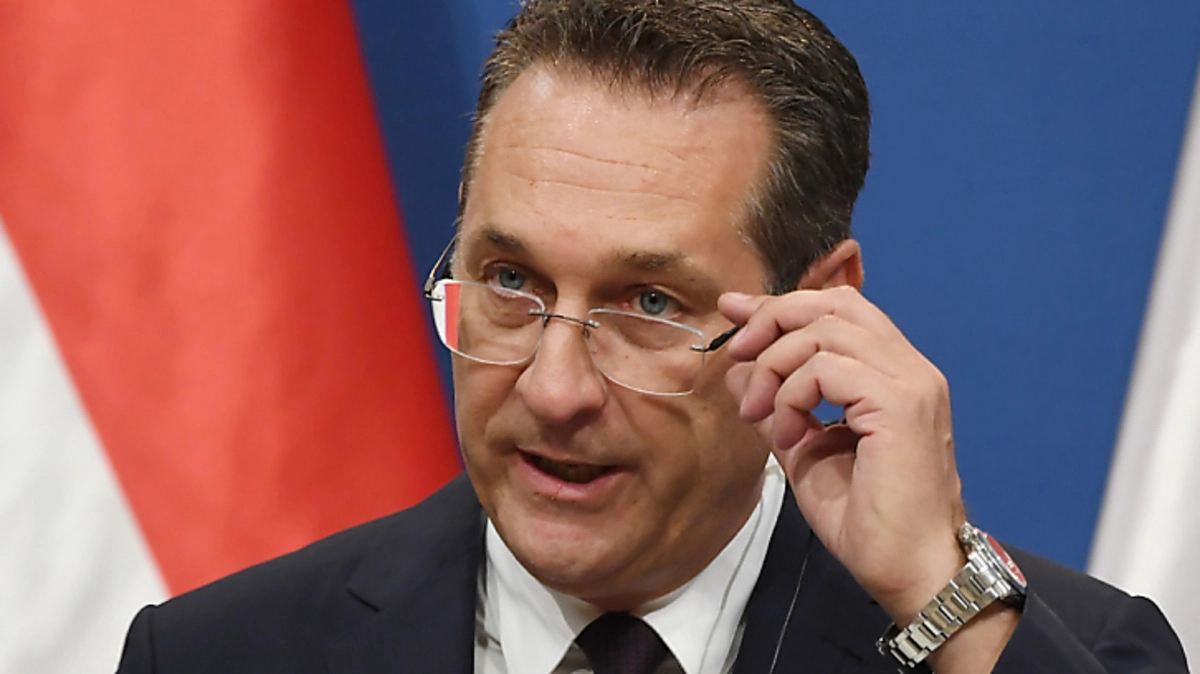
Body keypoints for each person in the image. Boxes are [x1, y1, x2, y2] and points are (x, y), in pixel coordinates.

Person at [116, 1, 1189, 672]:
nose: (554, 389)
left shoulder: (1062, 651)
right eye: (510, 281)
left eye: (651, 304)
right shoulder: (217, 655)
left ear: (817, 309)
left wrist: (948, 610)